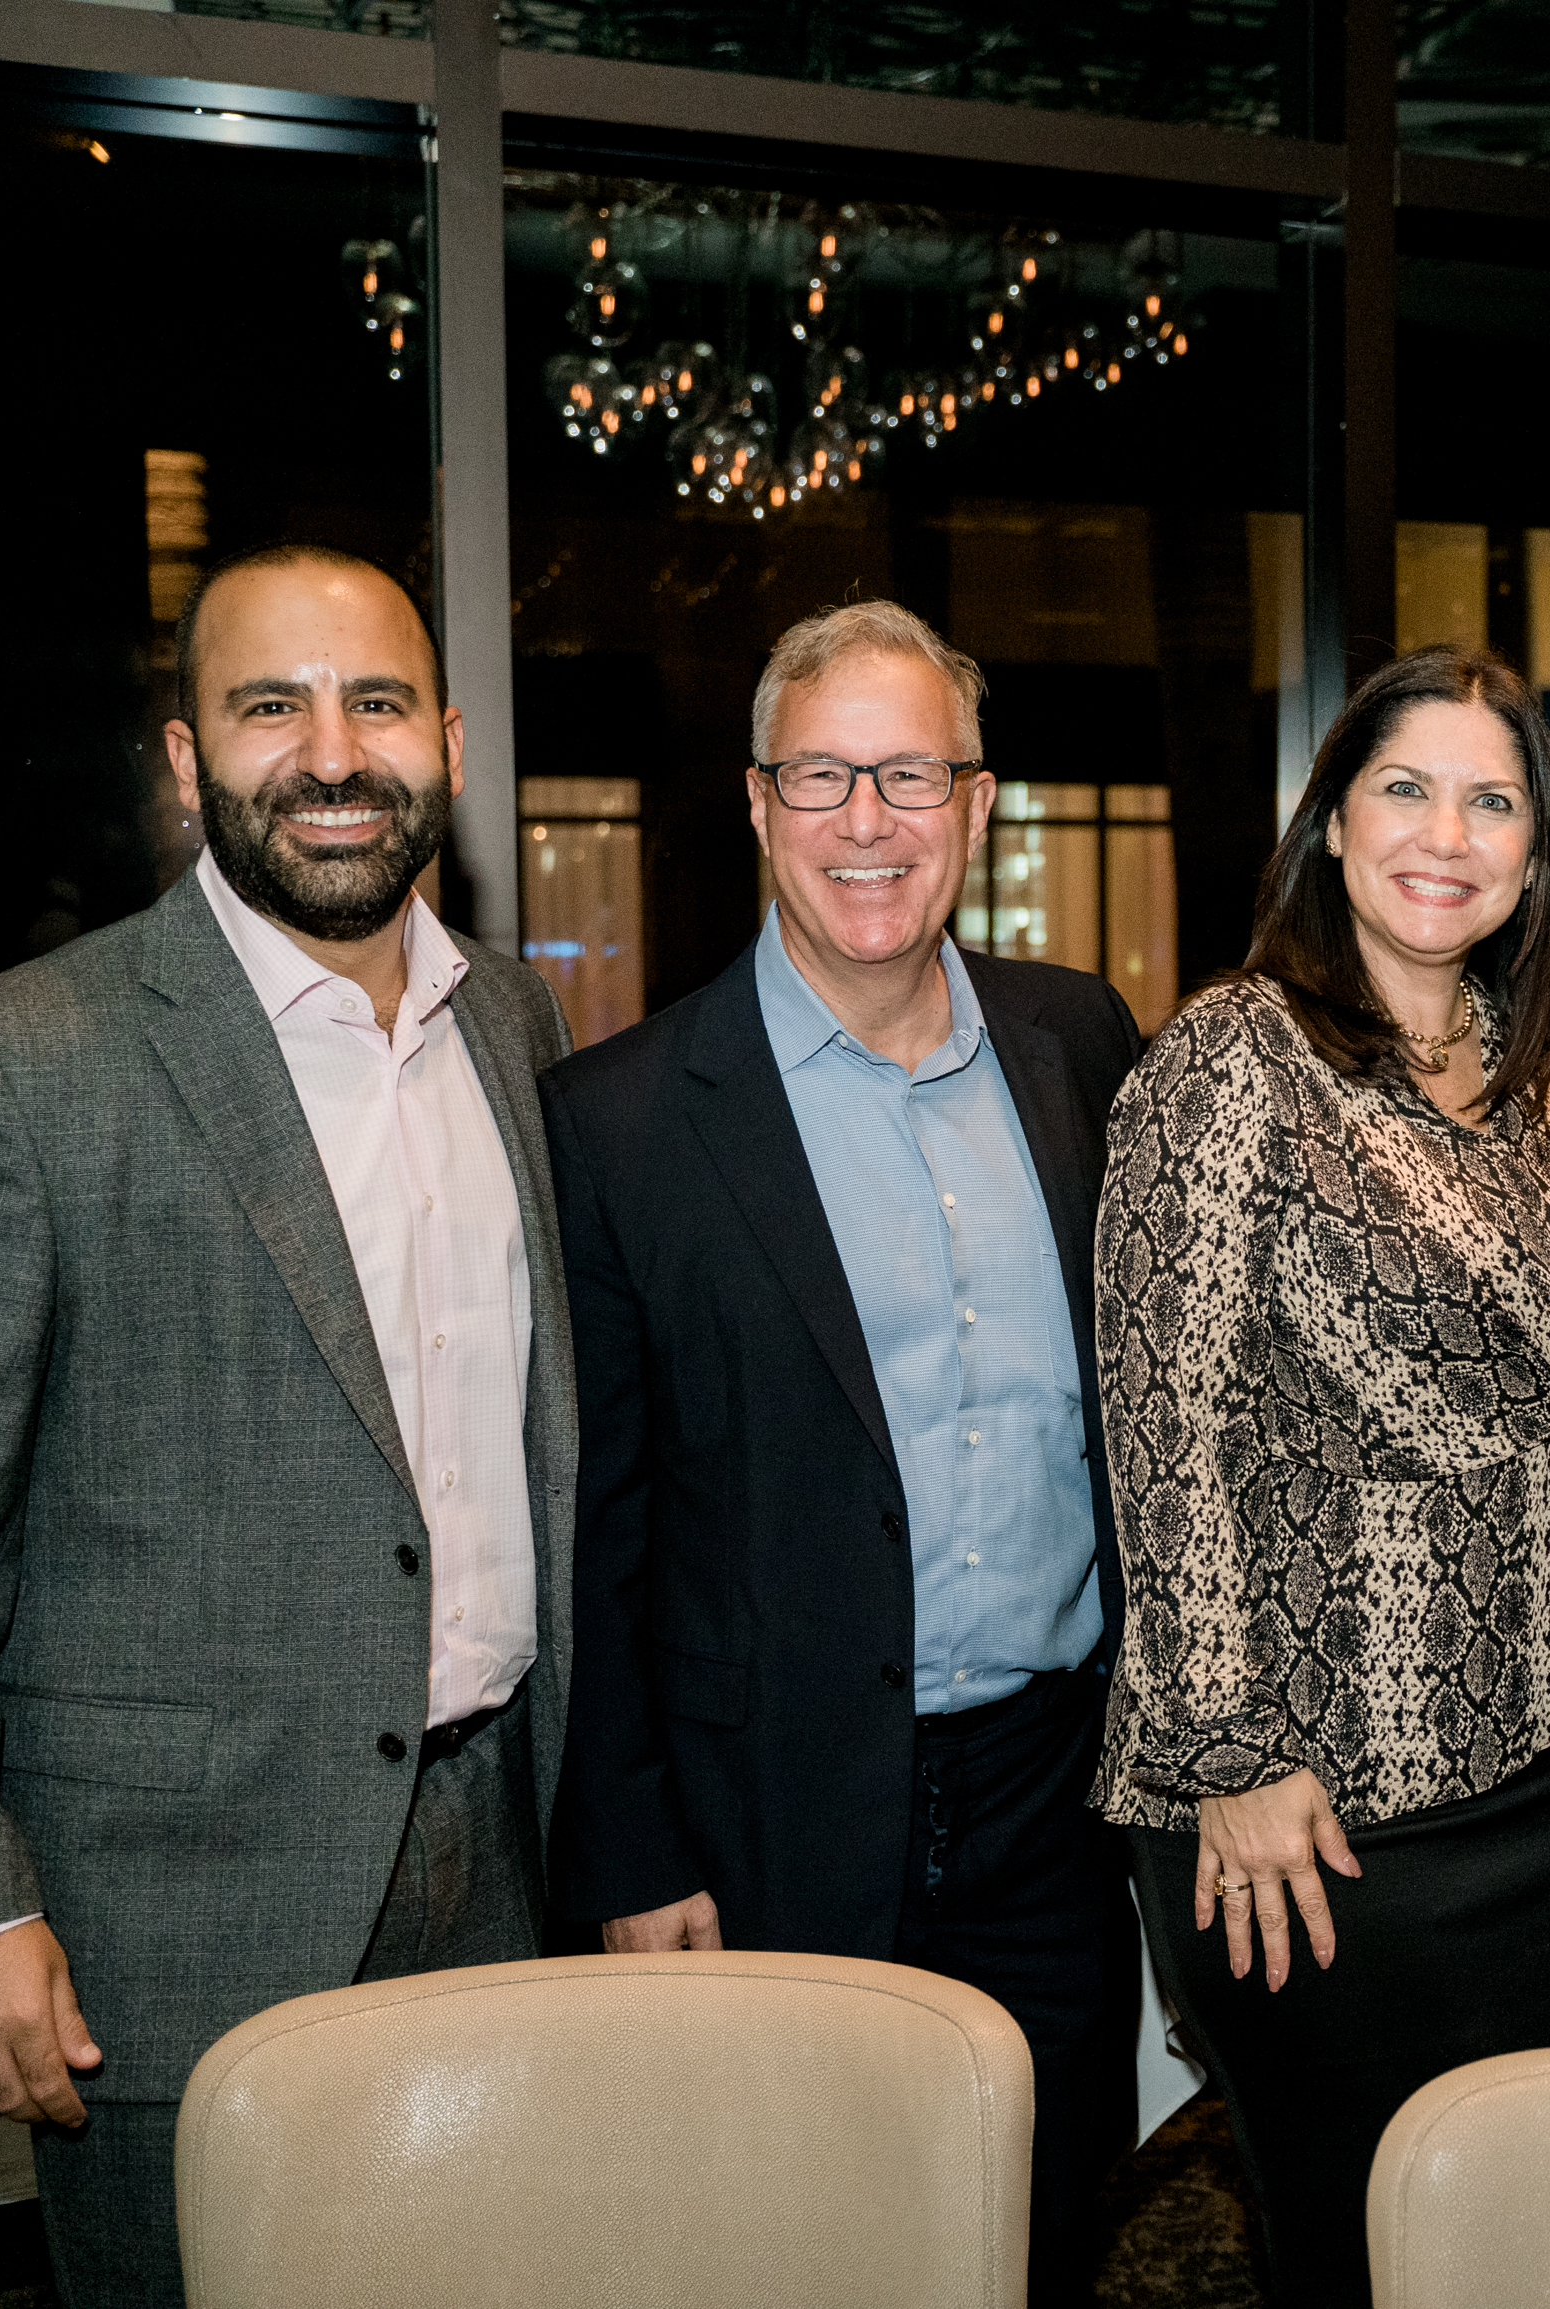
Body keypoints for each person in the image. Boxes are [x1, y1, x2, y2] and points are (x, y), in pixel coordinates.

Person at [0, 543, 575, 2308]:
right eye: (270, 705)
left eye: (375, 703)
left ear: (449, 738)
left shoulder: (512, 1021)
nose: (330, 753)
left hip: (500, 1854)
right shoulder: (16, 1066)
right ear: (191, 759)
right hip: (168, 1914)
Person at [540, 603, 1142, 2305]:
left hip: (1048, 1795)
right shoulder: (625, 1119)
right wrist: (633, 1850)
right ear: (752, 799)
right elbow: (598, 1520)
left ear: (976, 799)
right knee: (796, 2243)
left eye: (909, 772)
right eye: (821, 776)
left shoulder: (1078, 1043)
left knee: (1042, 2218)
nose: (866, 820)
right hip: (765, 1814)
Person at [1094, 643, 1550, 2309]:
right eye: (1404, 786)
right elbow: (1159, 1422)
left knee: (1507, 2236)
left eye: (1492, 801)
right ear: (1329, 819)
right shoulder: (1233, 1055)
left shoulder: (1544, 1071)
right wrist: (1231, 1751)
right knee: (1358, 2240)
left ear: (1537, 853)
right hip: (1318, 1800)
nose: (1446, 834)